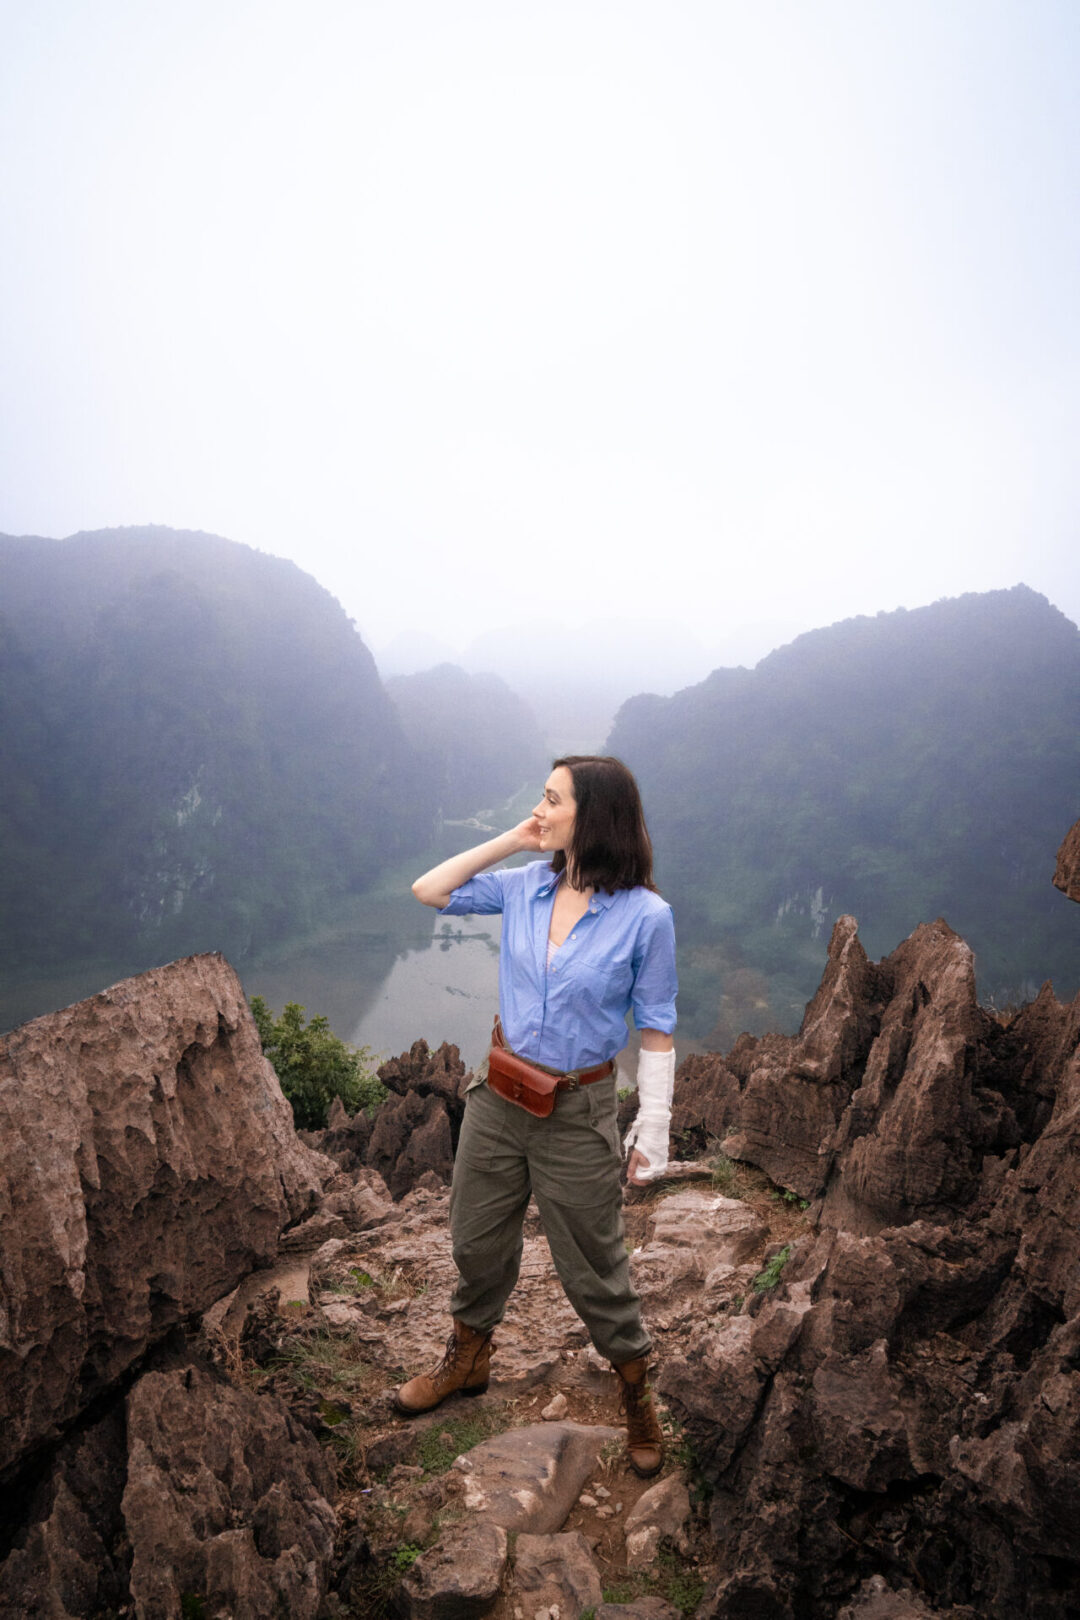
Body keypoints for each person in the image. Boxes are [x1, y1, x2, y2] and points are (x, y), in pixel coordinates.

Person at [393, 755, 677, 1477]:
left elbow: (656, 1027)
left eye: (552, 800)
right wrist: (515, 840)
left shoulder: (647, 917)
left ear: (596, 816)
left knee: (595, 1268)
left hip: (577, 1109)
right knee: (475, 1238)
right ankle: (469, 1357)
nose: (539, 809)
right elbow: (429, 889)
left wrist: (655, 1125)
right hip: (499, 1095)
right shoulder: (525, 886)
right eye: (539, 799)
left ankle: (636, 1393)